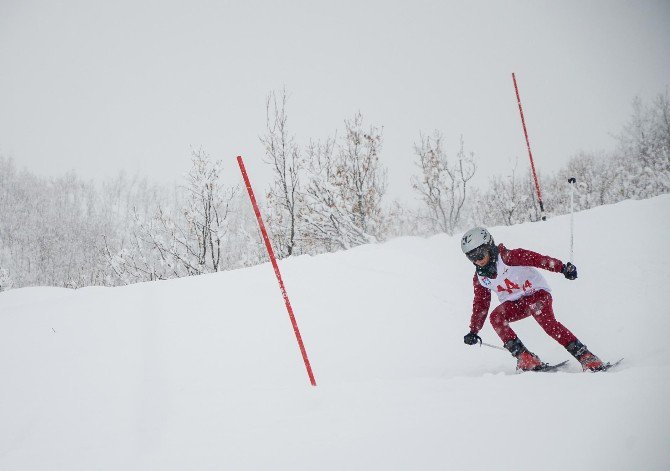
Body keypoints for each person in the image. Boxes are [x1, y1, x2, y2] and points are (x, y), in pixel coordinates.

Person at [460, 227, 605, 371]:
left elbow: (538, 260)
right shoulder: (480, 278)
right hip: (516, 303)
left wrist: (562, 268)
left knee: (548, 324)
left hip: (536, 294)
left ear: (489, 246)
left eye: (480, 254)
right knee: (496, 317)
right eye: (472, 257)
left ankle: (586, 356)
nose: (478, 261)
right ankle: (525, 358)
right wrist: (474, 330)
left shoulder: (509, 257)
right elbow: (481, 303)